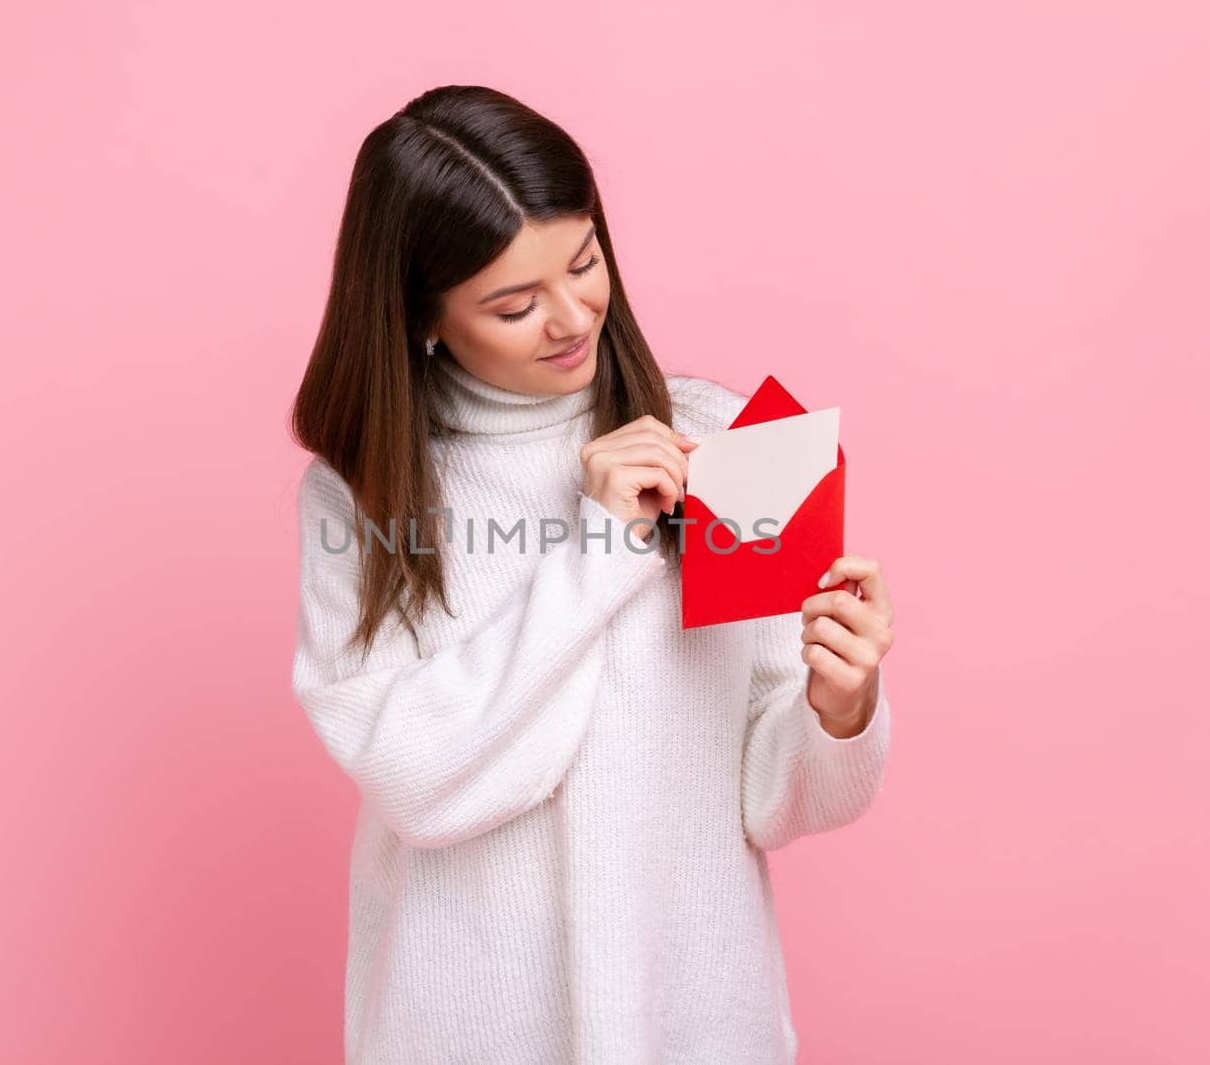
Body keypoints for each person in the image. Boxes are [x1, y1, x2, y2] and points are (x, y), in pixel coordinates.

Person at [289, 84, 897, 1064]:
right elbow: (419, 781)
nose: (573, 315)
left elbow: (773, 800)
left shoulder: (731, 440)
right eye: (514, 302)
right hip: (465, 1029)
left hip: (698, 1025)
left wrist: (841, 707)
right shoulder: (363, 497)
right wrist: (600, 549)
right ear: (421, 318)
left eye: (584, 261)